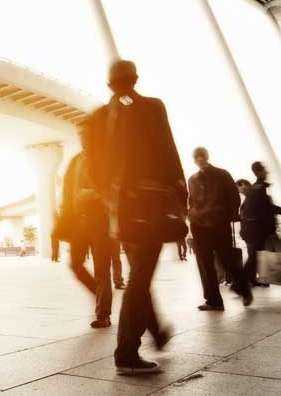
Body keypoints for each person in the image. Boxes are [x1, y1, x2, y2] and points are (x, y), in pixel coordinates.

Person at [84, 60, 184, 375]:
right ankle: (126, 353)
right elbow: (169, 152)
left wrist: (112, 199)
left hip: (122, 212)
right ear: (136, 78)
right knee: (140, 278)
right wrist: (180, 197)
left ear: (109, 84)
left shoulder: (97, 119)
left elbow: (94, 168)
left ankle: (153, 334)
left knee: (140, 274)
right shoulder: (152, 108)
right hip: (151, 206)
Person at [58, 124, 113, 329]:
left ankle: (103, 313)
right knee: (75, 265)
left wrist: (93, 194)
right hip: (78, 223)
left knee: (101, 270)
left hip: (100, 222)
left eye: (87, 135)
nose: (83, 139)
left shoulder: (105, 160)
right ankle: (101, 297)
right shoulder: (75, 160)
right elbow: (67, 190)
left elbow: (114, 189)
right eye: (81, 136)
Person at [188, 147, 252, 311]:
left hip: (218, 224)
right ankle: (214, 300)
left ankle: (243, 289)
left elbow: (233, 198)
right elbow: (192, 201)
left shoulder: (222, 174)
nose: (200, 159)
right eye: (197, 157)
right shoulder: (193, 179)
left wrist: (226, 217)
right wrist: (192, 216)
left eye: (202, 156)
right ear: (194, 159)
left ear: (207, 157)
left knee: (226, 260)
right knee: (206, 263)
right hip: (199, 226)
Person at [239, 163, 277, 287]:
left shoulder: (257, 189)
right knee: (253, 258)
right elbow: (267, 209)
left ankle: (243, 282)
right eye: (264, 170)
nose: (267, 172)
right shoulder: (258, 189)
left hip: (256, 232)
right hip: (257, 232)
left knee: (254, 258)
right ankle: (240, 282)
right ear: (258, 172)